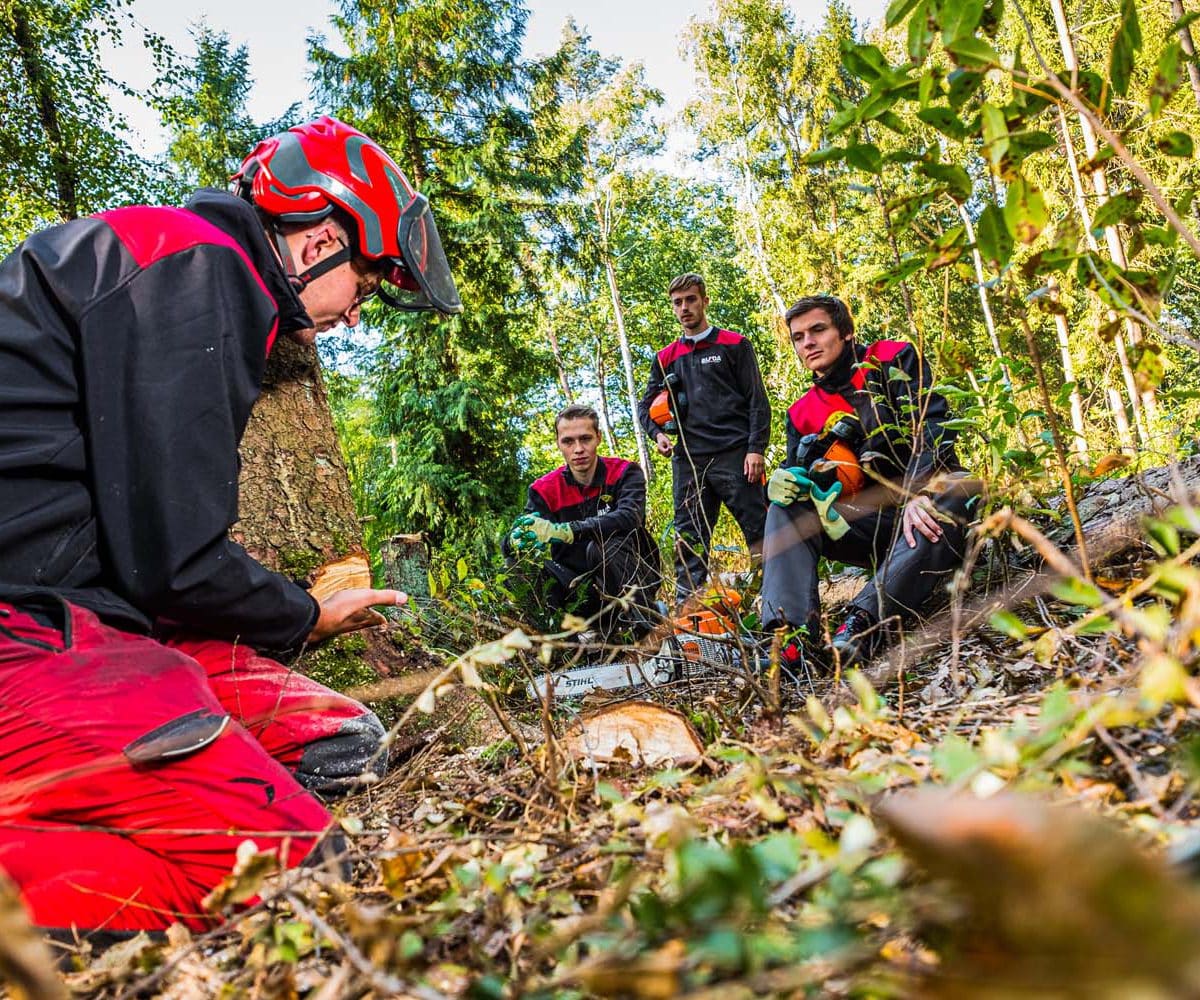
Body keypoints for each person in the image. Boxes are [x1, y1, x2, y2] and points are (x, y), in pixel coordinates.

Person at [0, 116, 462, 940]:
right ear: (322, 237)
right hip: (23, 632)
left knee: (339, 741)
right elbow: (174, 560)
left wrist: (282, 610)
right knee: (294, 873)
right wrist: (304, 613)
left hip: (85, 610)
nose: (355, 312)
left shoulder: (200, 275)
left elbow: (149, 534)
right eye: (363, 280)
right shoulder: (191, 263)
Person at [760, 295, 980, 667]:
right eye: (798, 338)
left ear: (845, 331)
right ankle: (788, 639)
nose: (808, 343)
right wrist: (790, 484)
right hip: (863, 527)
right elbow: (799, 475)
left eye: (818, 330)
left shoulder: (893, 359)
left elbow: (935, 425)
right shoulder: (800, 413)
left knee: (963, 486)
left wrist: (918, 493)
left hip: (930, 514)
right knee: (786, 509)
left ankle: (862, 623)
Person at [637, 273, 770, 603]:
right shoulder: (665, 357)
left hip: (736, 454)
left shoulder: (735, 345)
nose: (684, 308)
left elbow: (757, 400)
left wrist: (756, 449)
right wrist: (657, 435)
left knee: (762, 534)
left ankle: (772, 605)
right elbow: (645, 405)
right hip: (689, 461)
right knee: (689, 543)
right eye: (677, 303)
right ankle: (691, 619)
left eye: (691, 300)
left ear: (705, 301)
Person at [505, 406, 660, 640]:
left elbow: (630, 516)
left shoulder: (625, 472)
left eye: (585, 439)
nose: (578, 449)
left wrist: (570, 530)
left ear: (598, 437)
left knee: (603, 546)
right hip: (577, 588)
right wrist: (515, 540)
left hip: (632, 576)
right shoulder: (544, 490)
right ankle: (562, 650)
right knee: (516, 567)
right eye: (568, 441)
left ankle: (644, 630)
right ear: (558, 442)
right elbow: (520, 535)